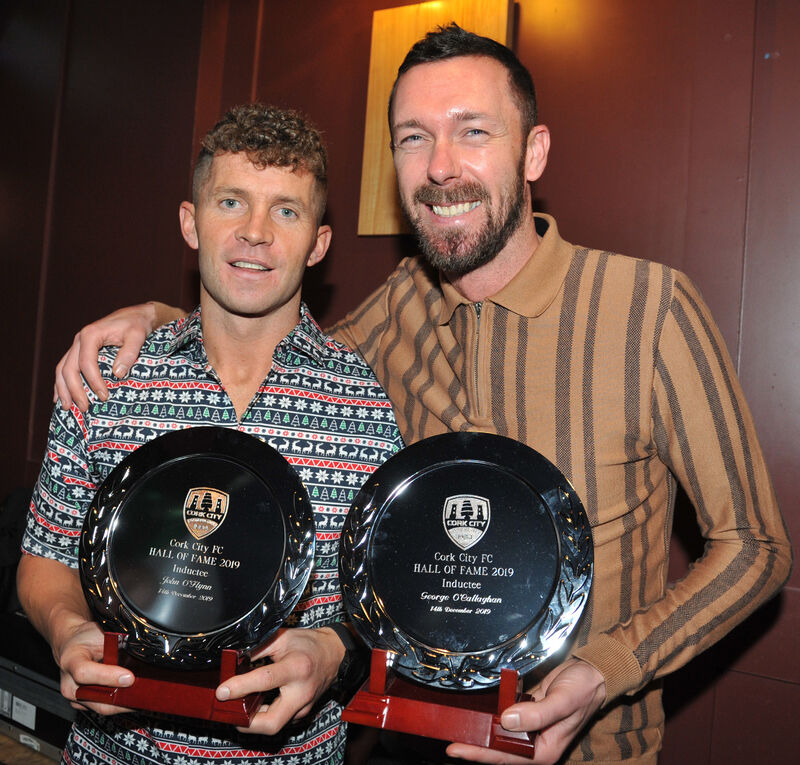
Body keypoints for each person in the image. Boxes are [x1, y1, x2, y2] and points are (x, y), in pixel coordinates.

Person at [50, 24, 791, 765]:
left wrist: (606, 671)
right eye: (413, 138)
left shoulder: (649, 308)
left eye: (473, 131)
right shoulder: (398, 308)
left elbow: (755, 547)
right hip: (406, 743)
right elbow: (268, 336)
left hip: (585, 752)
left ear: (533, 151)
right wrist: (159, 318)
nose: (440, 166)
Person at [19, 103, 403, 765]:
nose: (255, 232)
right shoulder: (108, 378)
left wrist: (334, 649)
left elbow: (383, 604)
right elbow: (45, 557)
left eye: (286, 210)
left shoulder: (364, 405)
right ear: (190, 222)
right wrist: (69, 629)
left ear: (318, 244)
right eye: (231, 202)